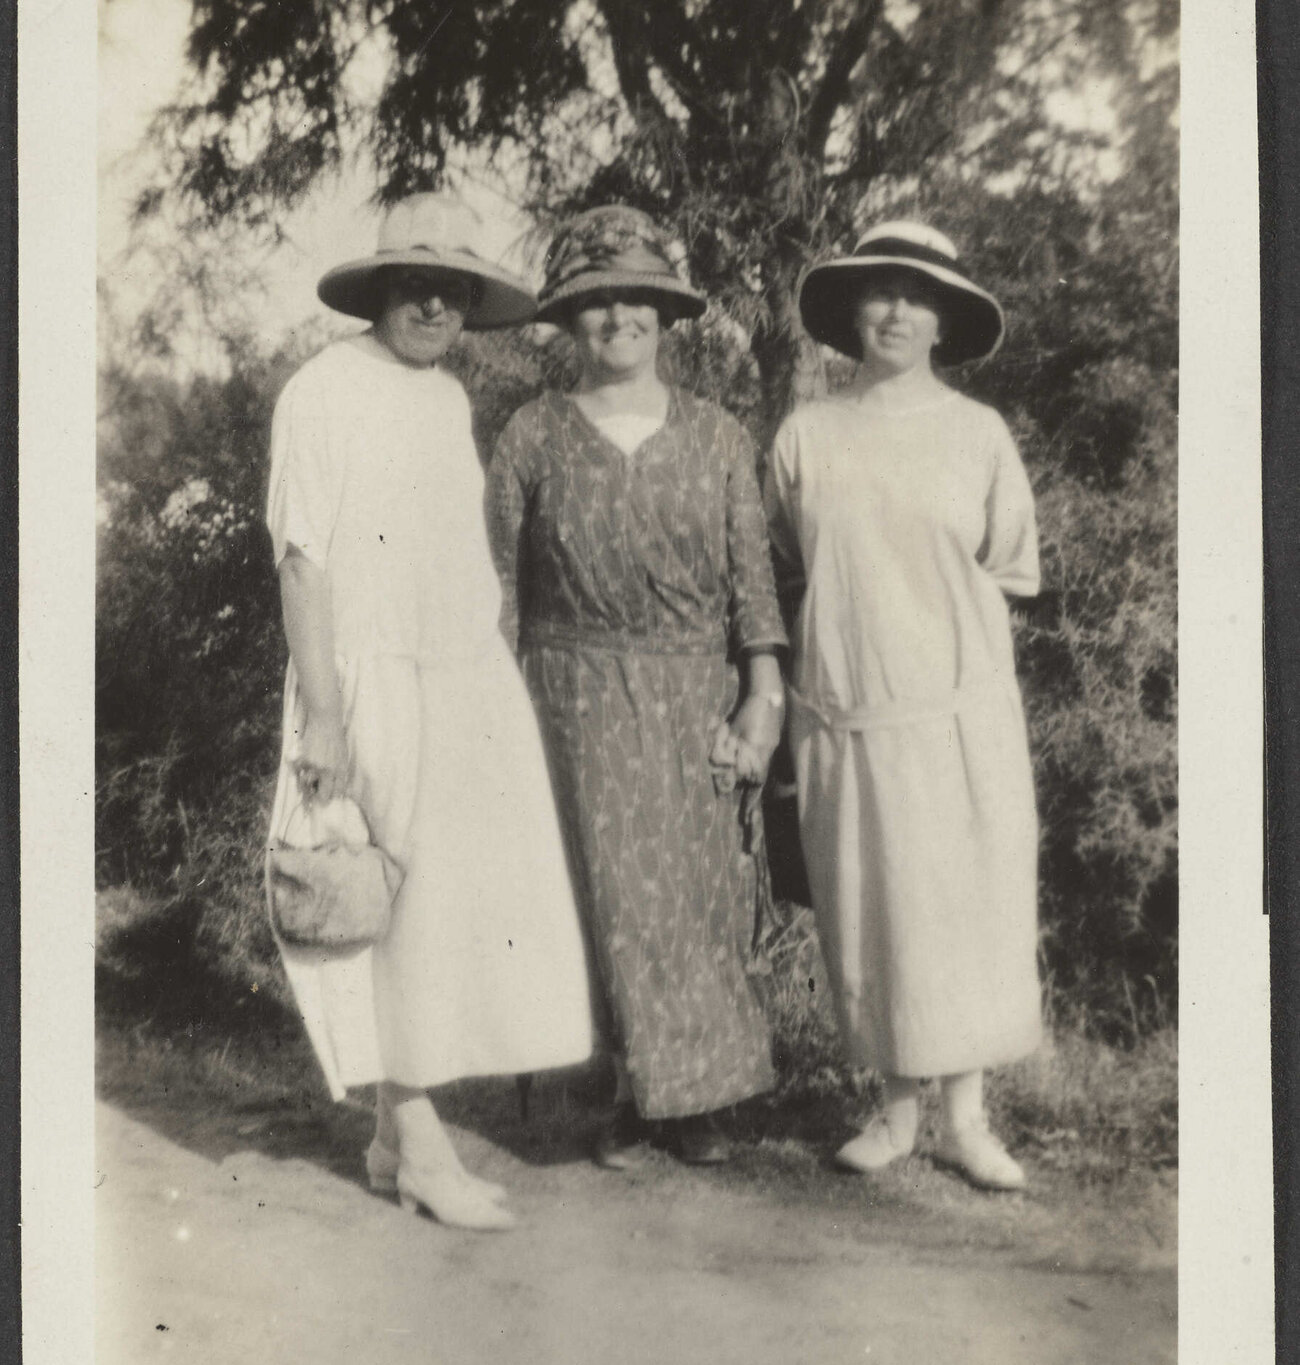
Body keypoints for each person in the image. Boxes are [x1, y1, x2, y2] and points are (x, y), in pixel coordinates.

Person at [266, 194, 593, 1231]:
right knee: (389, 906)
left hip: (457, 673)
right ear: (379, 290)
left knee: (446, 903)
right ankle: (421, 1147)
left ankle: (385, 1133)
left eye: (452, 286)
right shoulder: (322, 390)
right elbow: (302, 557)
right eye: (415, 281)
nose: (434, 301)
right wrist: (322, 712)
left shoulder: (449, 401)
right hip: (363, 681)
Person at [485, 206, 786, 1169]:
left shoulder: (719, 436)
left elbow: (754, 586)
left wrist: (761, 700)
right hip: (566, 696)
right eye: (594, 303)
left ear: (667, 314)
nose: (618, 319)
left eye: (637, 300)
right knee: (599, 890)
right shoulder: (532, 436)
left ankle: (695, 1103)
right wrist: (490, 713)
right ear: (568, 323)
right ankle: (623, 1092)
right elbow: (492, 582)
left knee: (695, 891)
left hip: (694, 689)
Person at [766, 219, 1042, 1191]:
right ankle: (892, 1111)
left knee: (961, 908)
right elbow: (785, 568)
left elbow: (1006, 568)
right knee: (874, 907)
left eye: (915, 296)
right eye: (878, 291)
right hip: (847, 708)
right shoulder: (806, 432)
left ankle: (966, 1120)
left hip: (959, 711)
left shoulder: (977, 436)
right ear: (850, 311)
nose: (893, 310)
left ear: (942, 321)